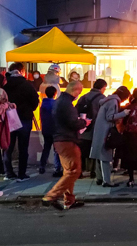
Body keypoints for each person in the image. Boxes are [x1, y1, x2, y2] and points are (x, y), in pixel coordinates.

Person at [42, 81, 89, 210]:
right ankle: (51, 196)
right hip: (66, 140)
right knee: (74, 171)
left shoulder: (60, 102)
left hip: (60, 140)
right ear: (75, 91)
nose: (78, 95)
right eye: (79, 92)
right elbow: (73, 123)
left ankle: (69, 200)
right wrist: (84, 122)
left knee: (68, 171)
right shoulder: (67, 105)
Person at [2, 62, 40, 182]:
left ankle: (8, 172)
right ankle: (21, 174)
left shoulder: (4, 84)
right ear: (21, 71)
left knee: (8, 146)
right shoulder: (27, 84)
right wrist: (29, 109)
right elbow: (35, 100)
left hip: (8, 118)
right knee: (23, 147)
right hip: (24, 118)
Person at [90, 86, 131, 187]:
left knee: (99, 155)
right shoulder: (113, 102)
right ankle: (107, 181)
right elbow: (110, 116)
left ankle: (99, 178)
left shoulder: (108, 100)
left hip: (99, 130)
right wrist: (123, 113)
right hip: (105, 131)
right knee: (105, 157)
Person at [75, 78, 108, 179]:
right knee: (94, 151)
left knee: (81, 152)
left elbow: (76, 109)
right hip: (95, 129)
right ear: (102, 88)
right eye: (104, 88)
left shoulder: (84, 97)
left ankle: (79, 172)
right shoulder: (102, 98)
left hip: (82, 129)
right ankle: (93, 172)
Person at [39, 86, 62, 176]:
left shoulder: (43, 104)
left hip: (45, 129)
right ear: (55, 94)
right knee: (56, 150)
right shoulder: (56, 104)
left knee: (46, 148)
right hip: (55, 129)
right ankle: (57, 168)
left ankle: (42, 165)